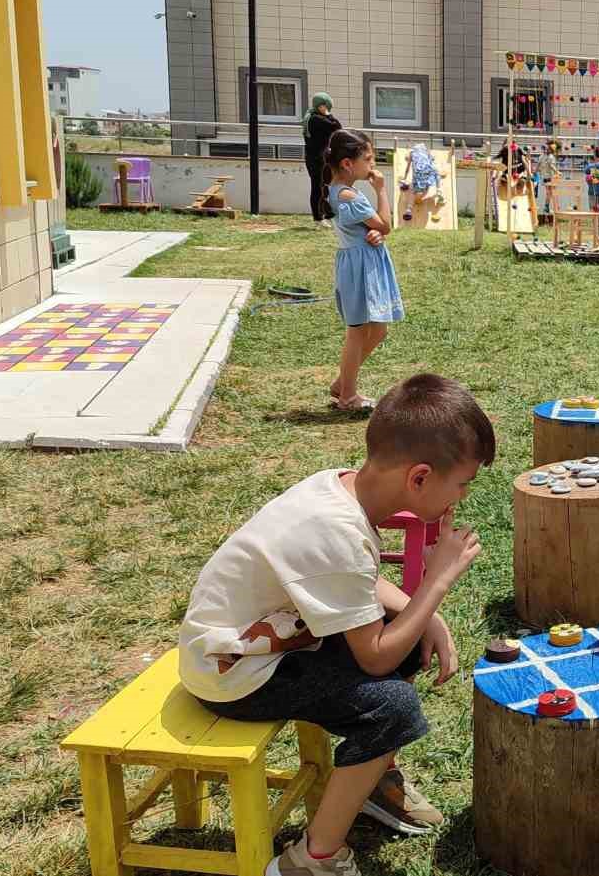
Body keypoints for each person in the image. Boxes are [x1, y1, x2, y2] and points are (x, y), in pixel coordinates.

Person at [178, 374, 495, 876]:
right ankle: (312, 859)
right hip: (233, 673)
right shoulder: (335, 531)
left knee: (409, 636)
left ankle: (371, 780)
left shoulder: (342, 489)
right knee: (392, 707)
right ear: (419, 478)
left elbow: (355, 582)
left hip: (266, 643)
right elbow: (375, 656)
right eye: (462, 484)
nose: (462, 497)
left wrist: (423, 614)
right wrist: (435, 584)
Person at [325, 130, 403, 412]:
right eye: (368, 159)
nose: (372, 165)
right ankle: (347, 396)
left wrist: (375, 234)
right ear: (347, 163)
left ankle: (342, 384)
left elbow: (373, 230)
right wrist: (381, 189)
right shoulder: (349, 196)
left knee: (378, 330)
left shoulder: (340, 192)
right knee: (357, 332)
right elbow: (384, 224)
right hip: (360, 268)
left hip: (361, 262)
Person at [303, 93, 341, 227]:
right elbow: (337, 126)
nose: (328, 109)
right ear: (322, 106)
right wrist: (328, 114)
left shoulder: (313, 118)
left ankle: (328, 215)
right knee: (318, 187)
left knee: (325, 187)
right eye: (326, 106)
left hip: (318, 158)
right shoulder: (316, 119)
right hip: (317, 160)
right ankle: (319, 218)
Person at [398, 143, 445, 223]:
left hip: (418, 173)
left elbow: (407, 168)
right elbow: (432, 159)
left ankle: (409, 209)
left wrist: (404, 178)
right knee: (434, 177)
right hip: (428, 171)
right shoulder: (426, 151)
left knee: (413, 191)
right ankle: (439, 192)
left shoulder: (412, 153)